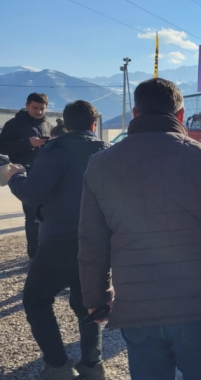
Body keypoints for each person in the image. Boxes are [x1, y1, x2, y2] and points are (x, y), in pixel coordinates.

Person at [79, 78, 201, 380]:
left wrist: (97, 298)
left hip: (137, 306)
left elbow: (91, 243)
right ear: (181, 115)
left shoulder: (100, 164)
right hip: (198, 303)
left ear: (135, 114)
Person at [7, 101, 109, 380]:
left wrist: (16, 176)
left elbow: (32, 193)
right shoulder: (108, 153)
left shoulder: (54, 151)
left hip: (59, 241)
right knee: (88, 301)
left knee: (36, 299)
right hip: (98, 244)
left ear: (64, 124)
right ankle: (92, 364)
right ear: (92, 125)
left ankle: (58, 366)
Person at [0, 92, 53, 258]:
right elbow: (2, 146)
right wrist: (28, 143)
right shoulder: (14, 124)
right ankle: (35, 255)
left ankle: (47, 252)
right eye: (35, 108)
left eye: (42, 109)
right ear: (27, 105)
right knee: (33, 217)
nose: (38, 112)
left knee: (49, 215)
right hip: (26, 177)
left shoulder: (48, 125)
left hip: (48, 175)